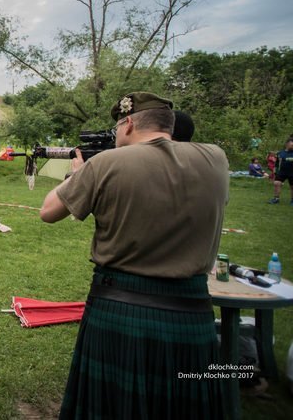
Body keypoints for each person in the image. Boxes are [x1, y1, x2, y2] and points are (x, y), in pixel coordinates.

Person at [39, 92, 229, 419]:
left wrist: (76, 174)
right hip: (192, 310)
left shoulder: (105, 164)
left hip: (120, 307)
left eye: (117, 127)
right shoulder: (216, 159)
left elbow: (49, 211)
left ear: (128, 123)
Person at [268, 138, 293, 204]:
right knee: (276, 183)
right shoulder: (280, 153)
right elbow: (276, 163)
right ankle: (276, 199)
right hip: (282, 172)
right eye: (292, 144)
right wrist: (275, 171)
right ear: (287, 144)